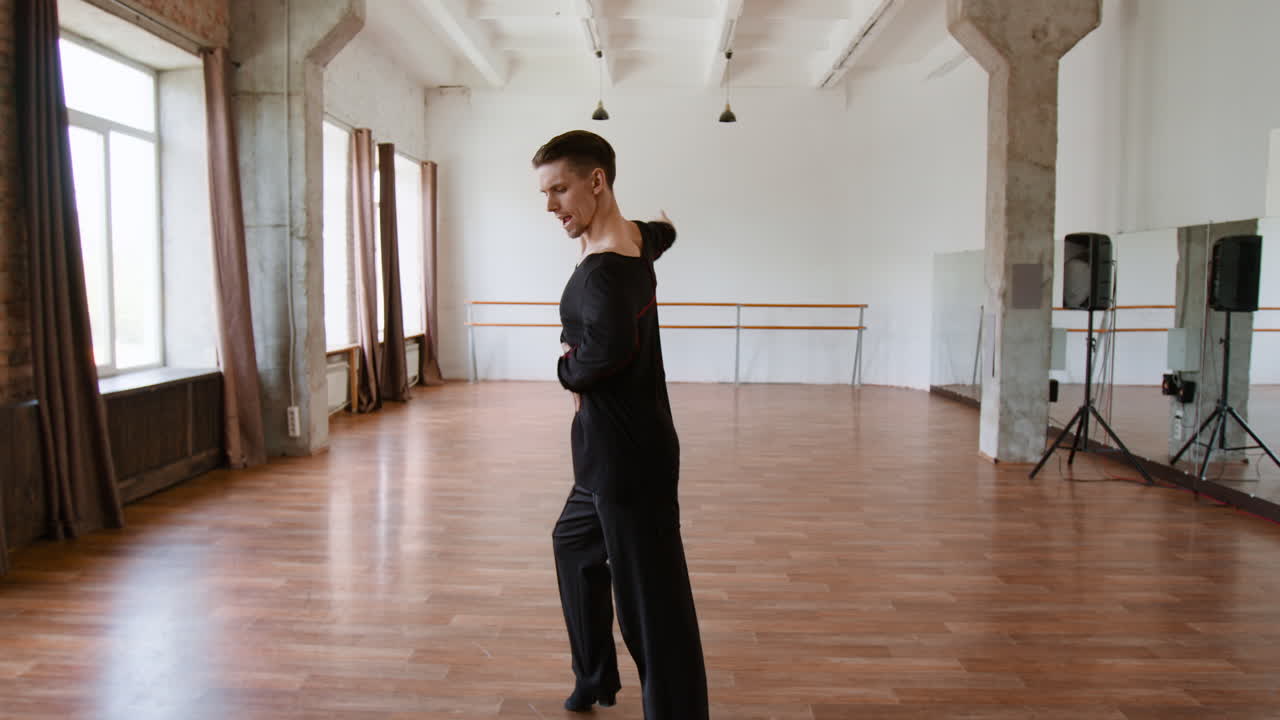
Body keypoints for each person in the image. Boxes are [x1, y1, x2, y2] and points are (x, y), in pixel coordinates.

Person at [533, 130, 709, 719]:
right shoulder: (631, 239)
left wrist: (565, 365)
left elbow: (602, 358)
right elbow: (657, 236)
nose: (551, 205)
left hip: (628, 460)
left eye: (559, 189)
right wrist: (670, 228)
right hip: (603, 456)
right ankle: (595, 677)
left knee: (650, 606)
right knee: (572, 546)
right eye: (545, 192)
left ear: (597, 181)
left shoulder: (608, 270)